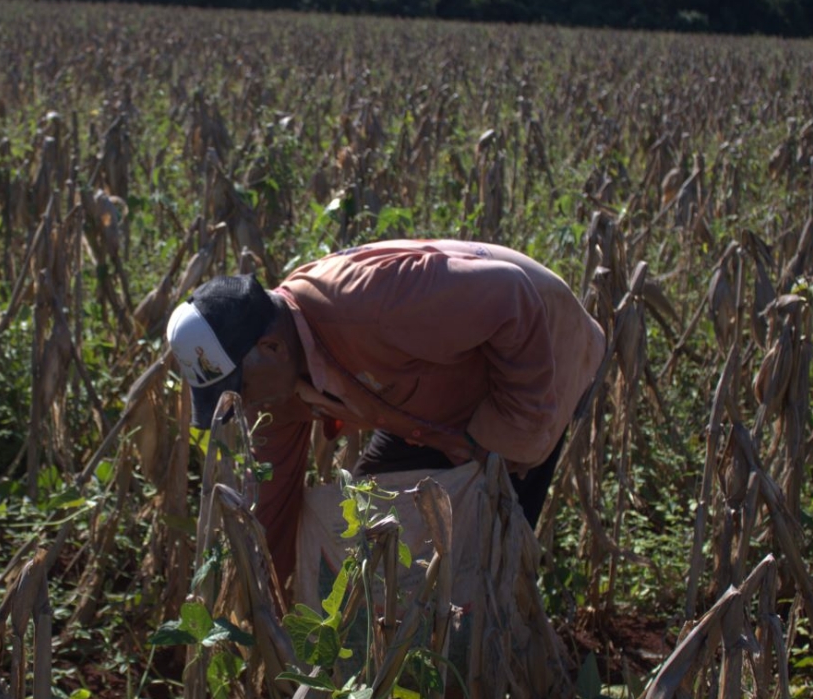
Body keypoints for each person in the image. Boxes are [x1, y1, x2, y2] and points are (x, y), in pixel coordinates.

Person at [166, 239, 605, 586]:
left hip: (537, 347)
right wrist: (272, 612)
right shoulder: (276, 385)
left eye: (240, 389)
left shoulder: (370, 306)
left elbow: (511, 296)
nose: (246, 408)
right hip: (418, 395)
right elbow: (274, 503)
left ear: (273, 348)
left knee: (487, 546)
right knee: (375, 525)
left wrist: (507, 440)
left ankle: (497, 680)